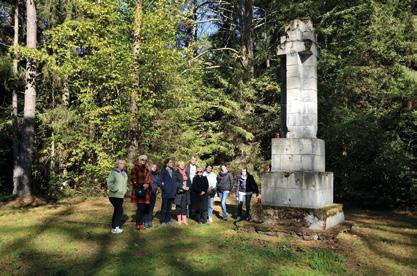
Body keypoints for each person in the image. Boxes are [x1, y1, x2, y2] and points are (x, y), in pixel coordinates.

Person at [130, 155, 153, 230]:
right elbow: (134, 180)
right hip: (138, 191)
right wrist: (142, 184)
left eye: (145, 160)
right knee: (139, 208)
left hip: (146, 192)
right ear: (139, 160)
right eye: (142, 159)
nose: (144, 161)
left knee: (143, 208)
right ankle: (137, 224)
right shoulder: (135, 168)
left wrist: (148, 184)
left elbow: (149, 179)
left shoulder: (146, 169)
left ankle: (140, 223)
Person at [107, 159, 128, 234]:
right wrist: (116, 189)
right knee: (120, 210)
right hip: (114, 195)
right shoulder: (113, 172)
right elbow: (109, 183)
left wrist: (125, 190)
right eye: (121, 163)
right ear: (117, 164)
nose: (122, 165)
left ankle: (115, 227)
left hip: (121, 196)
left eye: (123, 163)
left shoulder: (124, 174)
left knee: (117, 211)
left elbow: (124, 184)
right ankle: (115, 227)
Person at [160, 158, 181, 225]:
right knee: (164, 207)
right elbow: (160, 181)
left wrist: (178, 187)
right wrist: (164, 188)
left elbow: (177, 181)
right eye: (170, 162)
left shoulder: (174, 171)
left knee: (169, 208)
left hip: (172, 193)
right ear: (167, 163)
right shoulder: (163, 171)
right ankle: (163, 221)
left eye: (172, 162)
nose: (172, 163)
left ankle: (168, 220)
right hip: (165, 193)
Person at [145, 164, 160, 228]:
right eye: (153, 167)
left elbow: (158, 183)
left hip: (154, 193)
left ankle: (149, 221)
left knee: (151, 208)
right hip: (148, 193)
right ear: (150, 167)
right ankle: (146, 221)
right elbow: (145, 181)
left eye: (155, 167)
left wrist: (158, 188)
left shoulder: (156, 175)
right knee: (147, 208)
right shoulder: (148, 174)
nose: (154, 168)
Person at [175, 161, 191, 225]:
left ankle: (184, 220)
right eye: (181, 164)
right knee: (178, 206)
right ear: (178, 165)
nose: (182, 165)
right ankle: (179, 219)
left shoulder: (186, 172)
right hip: (179, 192)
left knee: (184, 206)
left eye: (183, 164)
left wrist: (188, 187)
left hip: (185, 192)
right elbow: (175, 182)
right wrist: (182, 186)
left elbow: (189, 181)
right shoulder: (176, 173)